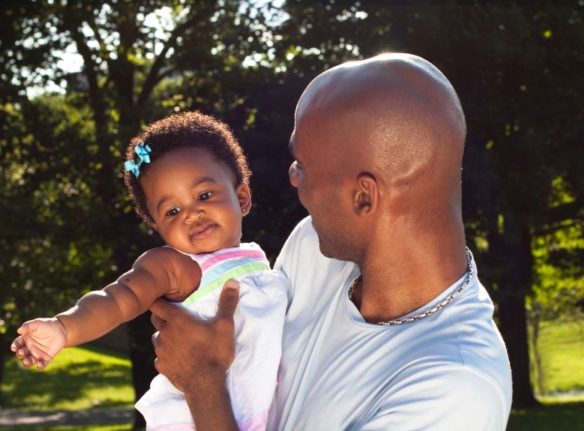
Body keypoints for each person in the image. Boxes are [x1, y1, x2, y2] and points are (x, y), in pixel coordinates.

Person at [150, 53, 513, 430]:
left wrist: (202, 383)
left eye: (302, 166)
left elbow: (208, 373)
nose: (293, 177)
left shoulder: (455, 391)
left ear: (363, 197)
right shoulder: (313, 248)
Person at [10, 112, 287, 431]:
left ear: (242, 197)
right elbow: (118, 298)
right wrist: (65, 328)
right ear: (158, 227)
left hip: (260, 414)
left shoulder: (256, 259)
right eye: (172, 211)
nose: (192, 214)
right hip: (196, 419)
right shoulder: (175, 266)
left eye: (204, 195)